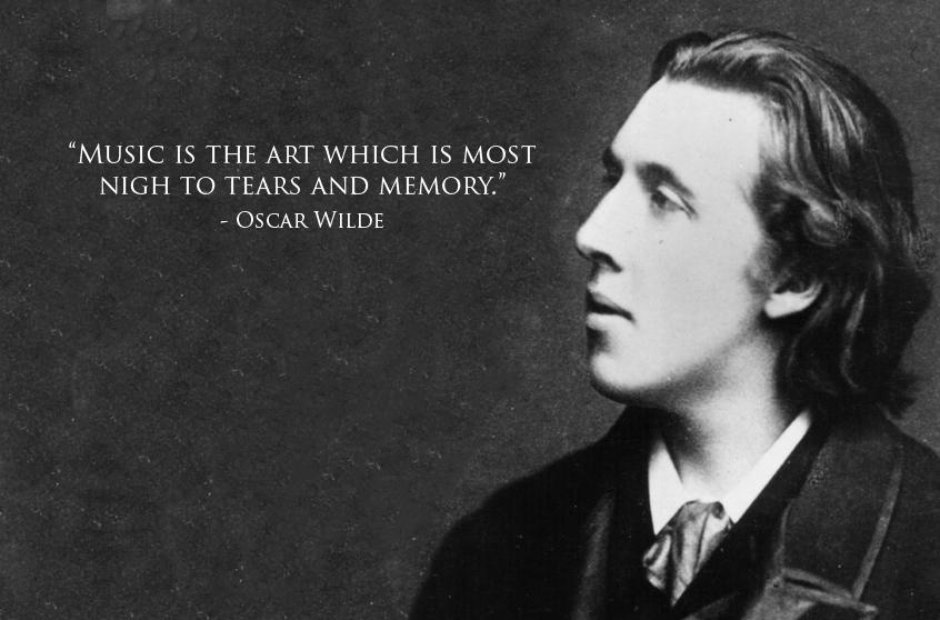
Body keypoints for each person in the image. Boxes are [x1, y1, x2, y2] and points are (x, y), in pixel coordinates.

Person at [411, 30, 940, 619]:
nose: (592, 234)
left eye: (664, 199)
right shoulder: (494, 550)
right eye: (613, 180)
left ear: (796, 276)